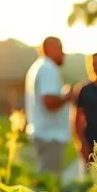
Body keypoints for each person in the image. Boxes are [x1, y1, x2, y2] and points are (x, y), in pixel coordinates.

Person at [24, 36, 73, 179]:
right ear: (51, 49)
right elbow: (49, 102)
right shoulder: (48, 68)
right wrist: (67, 96)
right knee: (50, 184)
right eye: (60, 49)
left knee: (45, 179)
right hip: (50, 136)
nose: (63, 53)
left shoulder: (38, 67)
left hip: (42, 133)